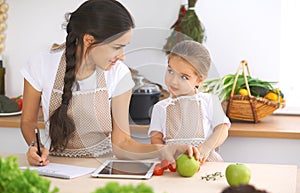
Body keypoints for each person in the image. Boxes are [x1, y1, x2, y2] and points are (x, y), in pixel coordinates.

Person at [20, 0, 199, 166]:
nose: (122, 56)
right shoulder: (41, 64)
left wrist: (164, 149)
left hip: (101, 170)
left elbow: (122, 143)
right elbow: (28, 121)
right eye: (116, 47)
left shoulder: (119, 74)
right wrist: (34, 146)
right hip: (54, 168)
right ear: (89, 40)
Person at [148, 40, 230, 164]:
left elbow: (222, 129)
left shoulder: (209, 101)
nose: (174, 81)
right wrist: (165, 153)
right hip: (173, 166)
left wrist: (204, 149)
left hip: (206, 163)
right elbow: (156, 139)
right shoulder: (160, 107)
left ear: (199, 80)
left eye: (184, 77)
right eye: (171, 71)